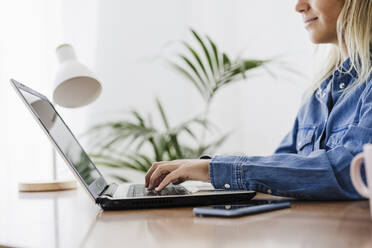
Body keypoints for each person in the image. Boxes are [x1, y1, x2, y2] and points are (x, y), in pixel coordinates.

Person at [145, 0, 372, 200]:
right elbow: (282, 166)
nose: (299, 6)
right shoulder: (317, 94)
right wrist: (210, 174)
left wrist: (213, 169)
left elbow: (353, 170)